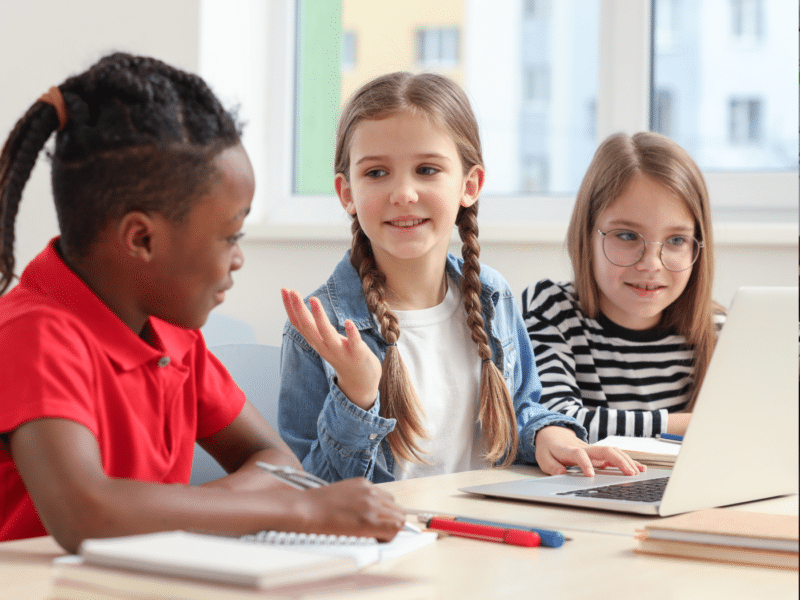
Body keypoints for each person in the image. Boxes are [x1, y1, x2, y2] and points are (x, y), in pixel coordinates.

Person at [0, 52, 405, 553]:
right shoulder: (32, 335)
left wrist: (165, 516)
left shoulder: (173, 333)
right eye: (229, 236)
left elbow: (276, 463)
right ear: (142, 239)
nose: (237, 260)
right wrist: (296, 510)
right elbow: (87, 512)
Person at [278, 72, 644, 484]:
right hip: (386, 542)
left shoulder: (494, 296)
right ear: (347, 194)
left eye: (427, 169)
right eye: (376, 173)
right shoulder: (318, 329)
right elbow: (308, 491)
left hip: (482, 532)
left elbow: (520, 413)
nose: (403, 193)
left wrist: (550, 434)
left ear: (470, 185)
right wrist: (356, 395)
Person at [521, 132, 724, 444]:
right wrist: (694, 425)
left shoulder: (720, 331)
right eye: (627, 236)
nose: (652, 264)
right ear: (587, 233)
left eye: (676, 240)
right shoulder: (551, 310)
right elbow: (555, 419)